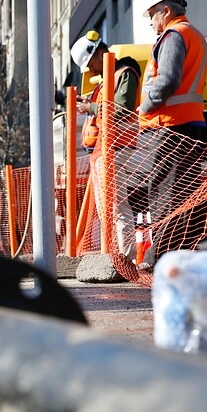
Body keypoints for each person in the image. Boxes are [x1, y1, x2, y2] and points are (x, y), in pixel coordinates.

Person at [133, 0, 207, 270]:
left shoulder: (174, 35)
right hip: (188, 126)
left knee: (162, 194)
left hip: (169, 128)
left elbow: (167, 80)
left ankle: (161, 258)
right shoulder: (195, 35)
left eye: (152, 15)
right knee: (181, 194)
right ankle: (178, 256)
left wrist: (146, 105)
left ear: (165, 11)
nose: (152, 23)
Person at [71, 30, 142, 257]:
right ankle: (116, 255)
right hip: (106, 149)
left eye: (91, 64)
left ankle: (126, 258)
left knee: (117, 207)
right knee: (107, 210)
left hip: (118, 148)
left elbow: (122, 111)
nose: (91, 70)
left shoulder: (124, 74)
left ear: (100, 53)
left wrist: (90, 108)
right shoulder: (107, 81)